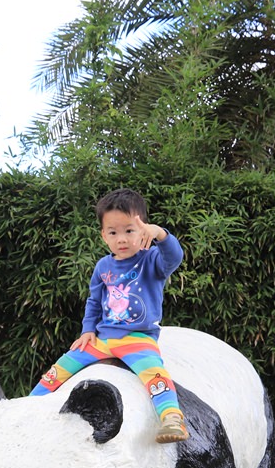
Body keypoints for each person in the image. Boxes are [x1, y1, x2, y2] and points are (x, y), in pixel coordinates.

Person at [30, 188, 189, 443]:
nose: (121, 239)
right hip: (102, 339)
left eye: (129, 230)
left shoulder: (152, 261)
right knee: (60, 368)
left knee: (154, 374)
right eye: (113, 232)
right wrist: (87, 331)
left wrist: (160, 234)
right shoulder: (103, 266)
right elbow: (94, 301)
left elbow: (175, 256)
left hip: (138, 337)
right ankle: (28, 407)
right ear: (104, 235)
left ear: (143, 229)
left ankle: (171, 418)